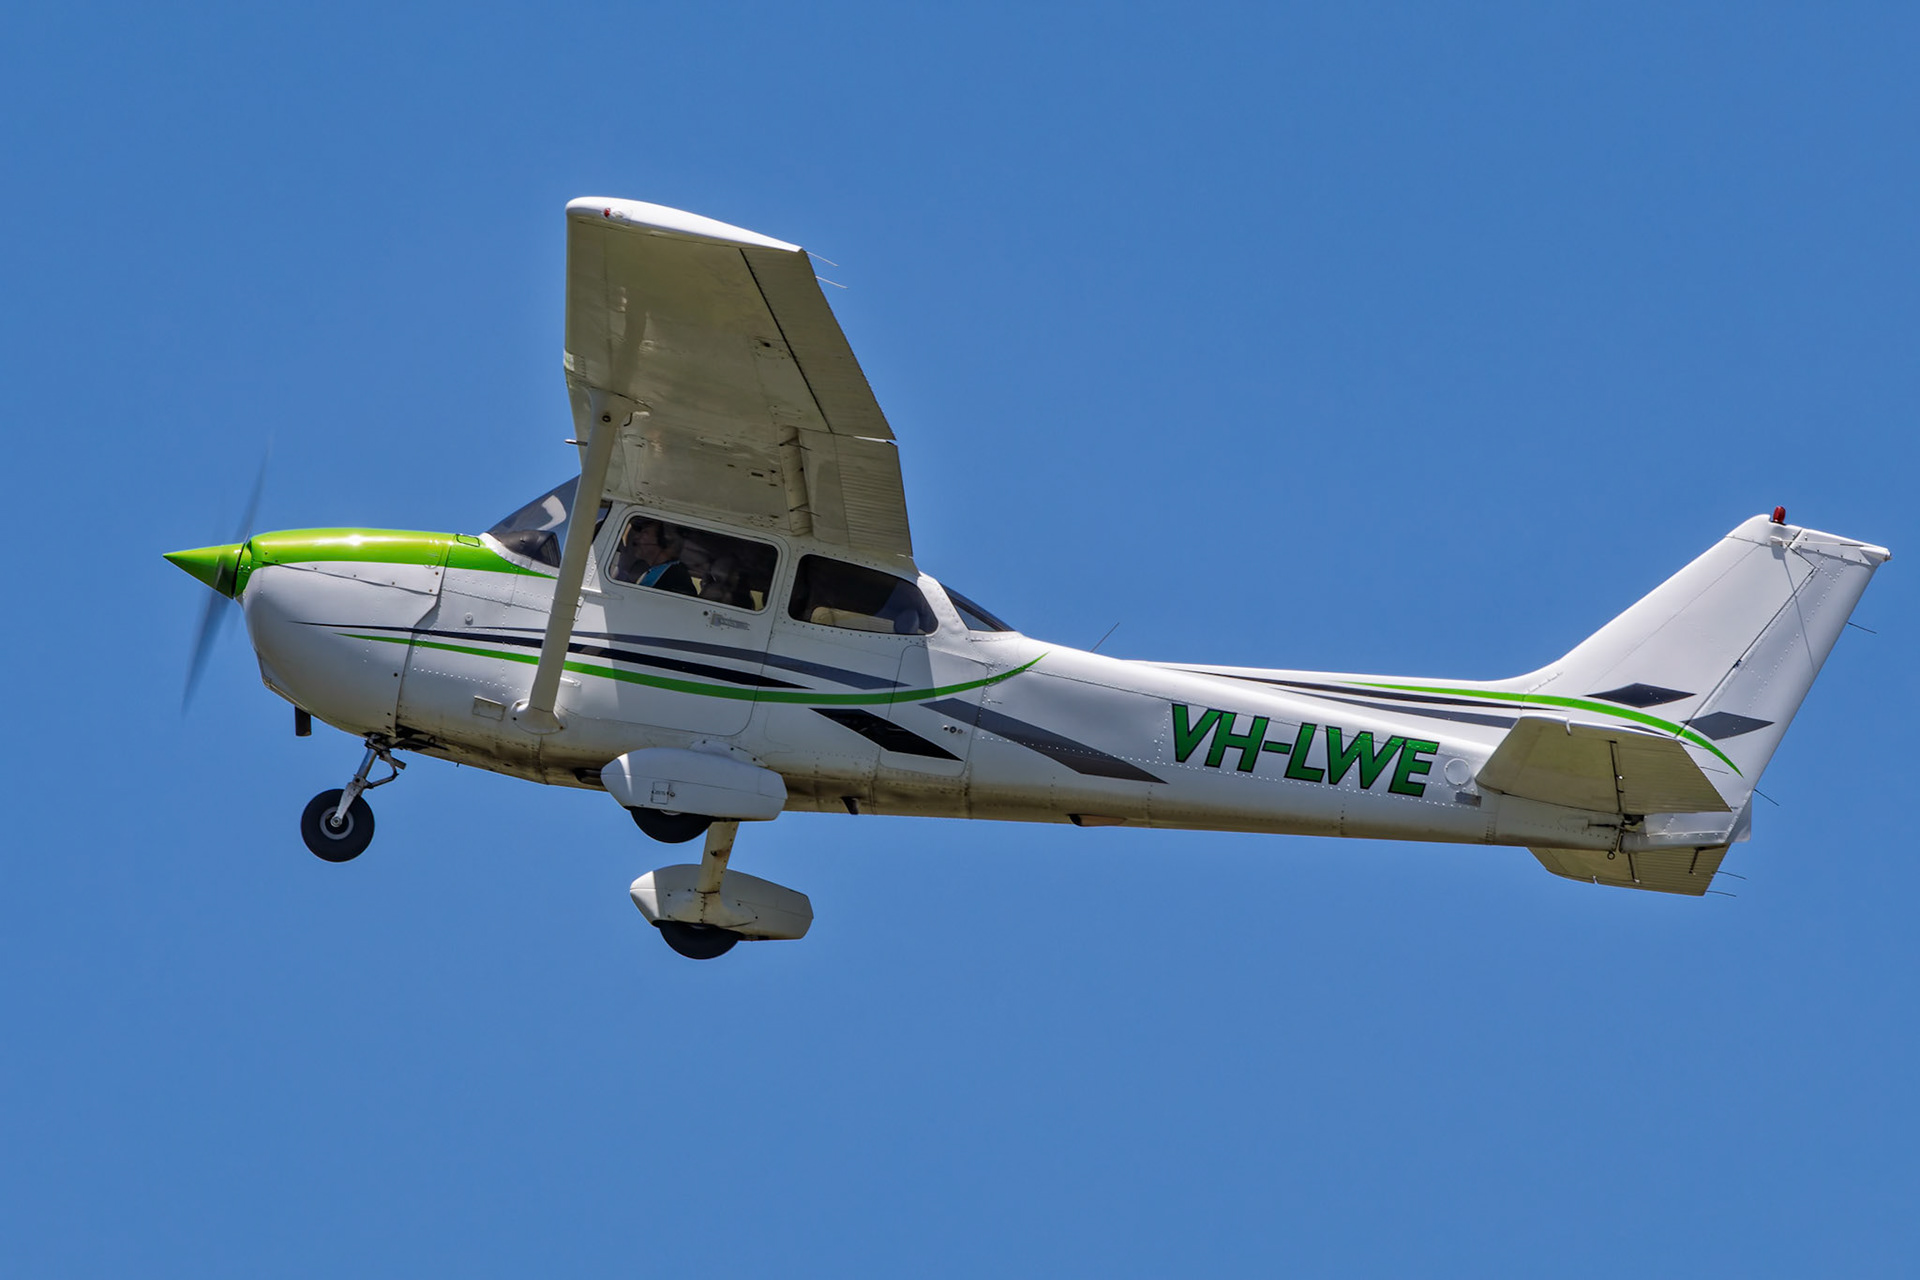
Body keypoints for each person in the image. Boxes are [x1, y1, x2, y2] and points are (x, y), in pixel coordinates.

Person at [611, 519, 695, 596]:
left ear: (663, 540)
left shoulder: (676, 578)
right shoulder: (659, 572)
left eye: (645, 532)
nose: (637, 537)